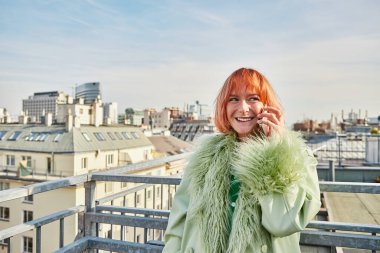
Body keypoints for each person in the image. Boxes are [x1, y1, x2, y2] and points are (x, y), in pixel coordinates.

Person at [162, 68, 321, 253]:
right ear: (224, 106)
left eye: (253, 98)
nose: (243, 108)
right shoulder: (206, 156)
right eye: (233, 99)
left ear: (267, 106)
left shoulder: (294, 155)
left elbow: (283, 223)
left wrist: (275, 151)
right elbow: (179, 221)